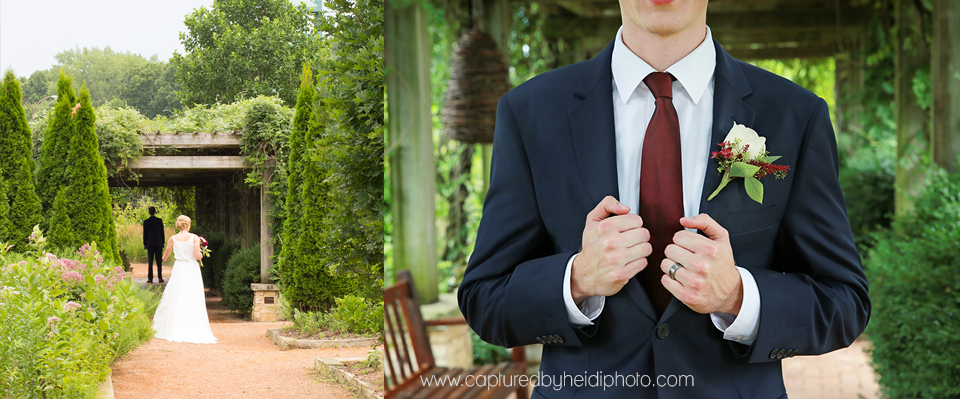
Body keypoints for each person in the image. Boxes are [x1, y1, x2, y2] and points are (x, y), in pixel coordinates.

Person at [457, 0, 870, 397]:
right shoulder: (530, 112)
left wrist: (737, 297)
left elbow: (844, 301)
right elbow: (484, 298)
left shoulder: (794, 114)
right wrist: (578, 280)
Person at [152, 215, 217, 344]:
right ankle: (193, 324)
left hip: (179, 267)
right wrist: (201, 254)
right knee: (192, 294)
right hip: (192, 268)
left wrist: (164, 258)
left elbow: (165, 255)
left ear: (178, 225)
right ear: (188, 225)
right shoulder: (194, 238)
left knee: (177, 294)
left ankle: (173, 325)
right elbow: (198, 256)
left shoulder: (172, 239)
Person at [142, 206, 165, 283]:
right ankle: (160, 277)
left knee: (150, 261)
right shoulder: (159, 221)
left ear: (149, 212)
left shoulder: (146, 222)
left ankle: (150, 278)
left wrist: (145, 243)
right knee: (159, 261)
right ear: (155, 212)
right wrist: (163, 242)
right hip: (158, 243)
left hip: (150, 243)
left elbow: (145, 234)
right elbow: (162, 232)